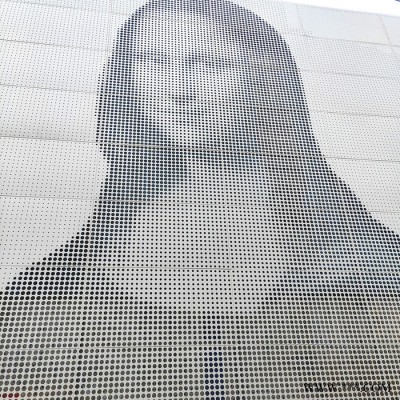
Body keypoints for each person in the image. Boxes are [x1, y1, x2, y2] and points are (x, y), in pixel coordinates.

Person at [1, 0, 399, 398]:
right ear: (126, 79)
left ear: (265, 80)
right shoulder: (52, 283)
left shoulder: (359, 251)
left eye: (209, 64)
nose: (177, 89)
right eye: (152, 62)